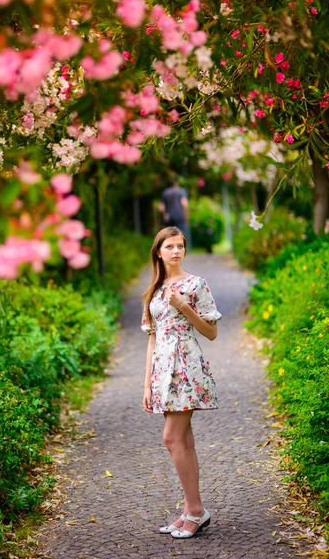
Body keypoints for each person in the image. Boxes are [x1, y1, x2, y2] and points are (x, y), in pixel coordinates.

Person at [141, 226, 222, 539]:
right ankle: (191, 509)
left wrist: (184, 306)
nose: (176, 251)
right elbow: (152, 340)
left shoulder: (195, 285)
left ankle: (197, 511)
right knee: (183, 440)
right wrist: (147, 385)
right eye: (170, 246)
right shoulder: (155, 289)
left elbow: (212, 332)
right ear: (158, 252)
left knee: (171, 438)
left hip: (185, 366)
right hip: (162, 371)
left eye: (180, 246)